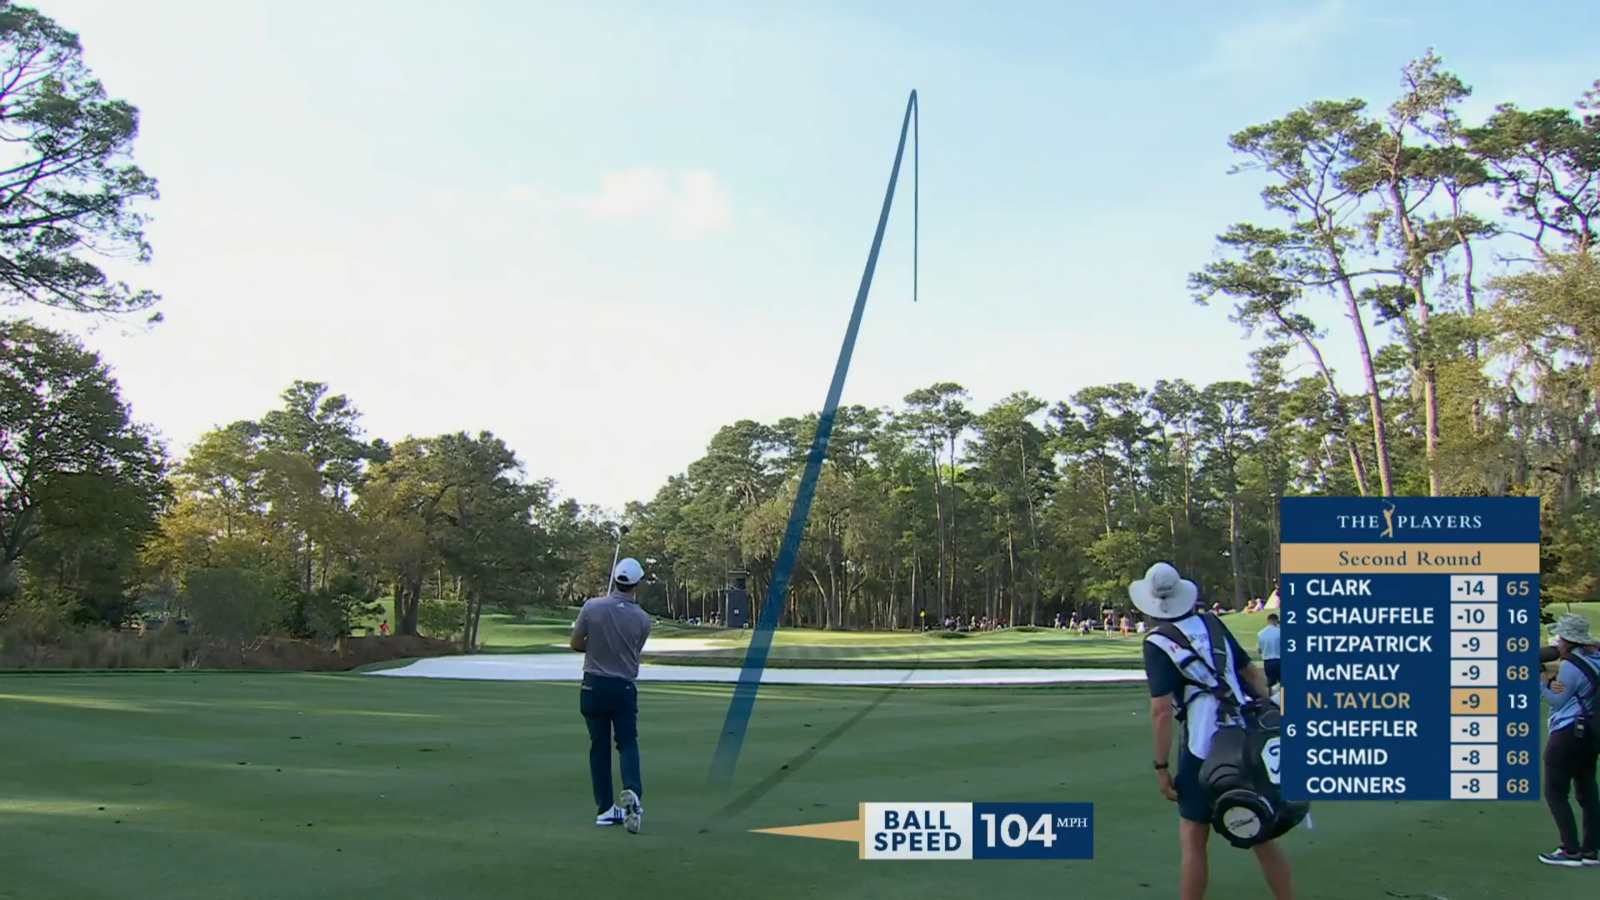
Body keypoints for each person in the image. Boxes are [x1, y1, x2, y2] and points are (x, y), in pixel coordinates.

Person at [1133, 561, 1293, 900]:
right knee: (1261, 835)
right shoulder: (1212, 623)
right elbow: (1251, 674)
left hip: (1201, 748)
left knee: (1193, 838)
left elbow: (1160, 711)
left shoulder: (1157, 643)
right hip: (1244, 739)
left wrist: (1161, 768)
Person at [570, 557, 652, 834]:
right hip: (623, 688)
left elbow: (575, 643)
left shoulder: (592, 607)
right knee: (627, 743)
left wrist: (595, 648)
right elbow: (633, 650)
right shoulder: (642, 619)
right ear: (637, 585)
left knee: (599, 747)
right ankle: (632, 790)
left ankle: (605, 809)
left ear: (615, 579)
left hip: (592, 686)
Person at [1539, 614, 1600, 867]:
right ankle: (1590, 850)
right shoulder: (1594, 661)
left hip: (1567, 734)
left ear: (1568, 641)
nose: (1556, 642)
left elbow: (1557, 699)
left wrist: (1537, 684)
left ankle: (1569, 850)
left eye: (1559, 638)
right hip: (1590, 735)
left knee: (1555, 792)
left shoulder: (1571, 667)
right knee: (1587, 793)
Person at [1258, 613, 1282, 692]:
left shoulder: (1261, 633)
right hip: (1279, 660)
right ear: (1276, 620)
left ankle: (1271, 700)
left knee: (1271, 682)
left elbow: (1260, 650)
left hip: (1267, 661)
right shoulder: (1279, 632)